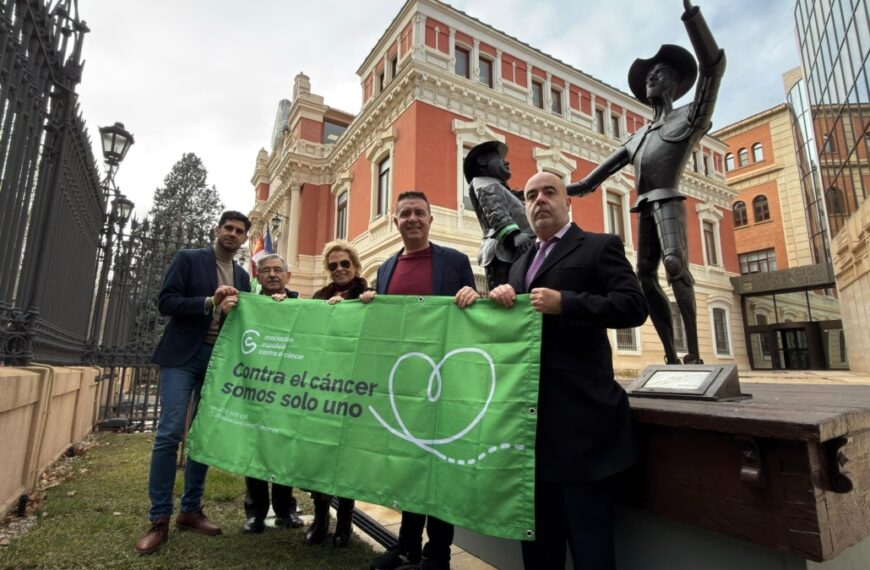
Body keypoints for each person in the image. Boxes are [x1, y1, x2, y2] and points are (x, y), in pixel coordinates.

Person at [488, 172, 648, 570]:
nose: (539, 200)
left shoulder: (598, 247)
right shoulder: (518, 265)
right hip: (531, 432)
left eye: (549, 192)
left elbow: (633, 306)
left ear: (567, 202)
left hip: (585, 431)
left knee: (591, 548)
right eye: (530, 195)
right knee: (539, 550)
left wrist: (568, 303)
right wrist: (500, 298)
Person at [566, 0, 724, 365]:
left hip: (668, 201)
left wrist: (692, 17)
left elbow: (714, 68)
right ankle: (670, 354)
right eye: (649, 74)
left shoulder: (689, 118)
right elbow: (590, 182)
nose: (653, 76)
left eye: (661, 72)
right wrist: (546, 189)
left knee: (674, 264)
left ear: (676, 82)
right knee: (644, 277)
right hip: (645, 208)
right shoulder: (635, 139)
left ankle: (695, 354)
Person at [363, 191, 478, 570]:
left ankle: (438, 555)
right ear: (395, 222)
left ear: (430, 220)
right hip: (401, 385)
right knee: (408, 467)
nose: (412, 218)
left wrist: (470, 293)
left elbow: (472, 312)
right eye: (405, 214)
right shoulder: (384, 268)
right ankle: (407, 546)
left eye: (419, 213)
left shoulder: (455, 260)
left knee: (439, 468)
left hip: (442, 381)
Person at [135, 211, 252, 554]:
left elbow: (245, 318)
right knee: (170, 431)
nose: (232, 234)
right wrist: (209, 302)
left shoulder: (244, 276)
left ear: (245, 239)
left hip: (218, 361)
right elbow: (165, 302)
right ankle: (159, 520)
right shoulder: (189, 259)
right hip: (183, 356)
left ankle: (190, 509)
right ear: (216, 230)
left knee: (201, 436)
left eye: (239, 231)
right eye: (228, 228)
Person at [304, 240, 372, 548]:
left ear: (356, 266)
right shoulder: (319, 297)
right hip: (323, 388)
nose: (340, 269)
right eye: (333, 266)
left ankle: (344, 522)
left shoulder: (369, 296)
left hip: (355, 389)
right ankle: (320, 520)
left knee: (346, 459)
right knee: (319, 455)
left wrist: (369, 304)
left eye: (345, 264)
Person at [241, 253, 304, 534]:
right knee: (255, 448)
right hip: (255, 387)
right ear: (258, 277)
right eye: (265, 271)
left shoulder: (302, 306)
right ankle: (255, 513)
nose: (272, 275)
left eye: (278, 270)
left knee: (283, 449)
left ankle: (285, 510)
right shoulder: (248, 305)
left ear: (288, 276)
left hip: (288, 390)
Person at [463, 140, 535, 290]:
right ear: (482, 161)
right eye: (500, 159)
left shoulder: (504, 189)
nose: (507, 163)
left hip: (516, 250)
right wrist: (514, 235)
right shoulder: (484, 182)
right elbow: (494, 208)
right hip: (503, 250)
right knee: (504, 298)